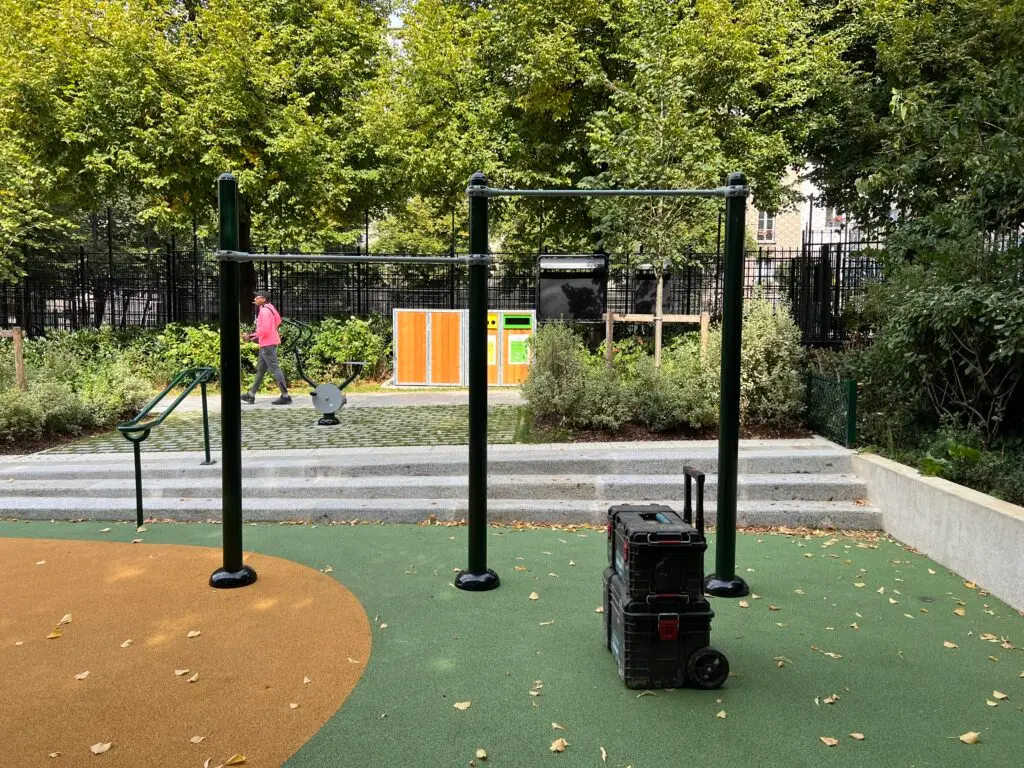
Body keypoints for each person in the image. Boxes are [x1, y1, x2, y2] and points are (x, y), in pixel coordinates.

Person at [241, 290, 291, 405]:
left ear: (263, 299)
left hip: (268, 344)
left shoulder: (264, 311)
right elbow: (278, 320)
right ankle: (251, 395)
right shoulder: (270, 308)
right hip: (267, 343)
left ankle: (285, 396)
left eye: (257, 297)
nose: (254, 299)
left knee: (275, 368)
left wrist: (250, 336)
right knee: (261, 369)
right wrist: (271, 331)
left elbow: (264, 329)